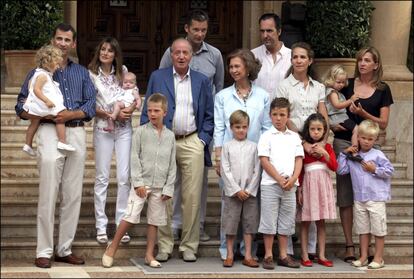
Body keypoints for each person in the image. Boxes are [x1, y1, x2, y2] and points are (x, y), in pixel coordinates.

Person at [15, 23, 96, 268]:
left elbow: (91, 104)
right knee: (49, 193)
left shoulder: (82, 72)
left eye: (67, 40)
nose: (62, 43)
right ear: (53, 41)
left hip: (76, 133)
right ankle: (44, 250)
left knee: (72, 195)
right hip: (49, 132)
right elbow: (20, 107)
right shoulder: (37, 72)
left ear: (73, 44)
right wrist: (50, 116)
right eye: (58, 39)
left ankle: (64, 249)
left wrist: (70, 115)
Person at [140, 38, 214, 262]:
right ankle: (164, 245)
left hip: (192, 141)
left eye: (185, 52)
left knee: (192, 197)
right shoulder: (157, 76)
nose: (181, 56)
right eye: (177, 52)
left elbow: (209, 116)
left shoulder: (201, 80)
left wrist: (202, 140)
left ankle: (189, 245)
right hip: (165, 141)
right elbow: (147, 111)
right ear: (171, 55)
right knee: (164, 196)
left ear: (191, 56)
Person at [159, 9, 224, 242]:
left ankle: (198, 226)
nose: (199, 34)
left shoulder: (215, 55)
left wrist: (206, 136)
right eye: (195, 29)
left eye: (203, 30)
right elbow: (162, 83)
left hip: (198, 131)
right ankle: (175, 225)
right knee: (172, 181)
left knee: (198, 184)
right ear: (186, 28)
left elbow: (217, 89)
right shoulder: (172, 52)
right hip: (172, 130)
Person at [332, 46, 394, 263]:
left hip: (370, 145)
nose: (362, 63)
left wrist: (362, 114)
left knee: (367, 189)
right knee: (346, 194)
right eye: (360, 60)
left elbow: (384, 123)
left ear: (376, 64)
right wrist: (335, 125)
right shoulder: (347, 84)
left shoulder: (383, 89)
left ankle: (368, 251)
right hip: (345, 143)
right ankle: (351, 244)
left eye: (367, 60)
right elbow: (333, 106)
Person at [102, 93, 176, 268]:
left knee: (154, 221)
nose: (152, 114)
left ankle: (149, 255)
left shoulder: (170, 136)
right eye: (149, 110)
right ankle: (112, 248)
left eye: (156, 110)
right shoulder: (140, 132)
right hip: (142, 184)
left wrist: (168, 188)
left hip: (160, 186)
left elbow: (172, 164)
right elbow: (134, 158)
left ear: (165, 112)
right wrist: (138, 183)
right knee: (130, 216)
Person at [214, 48, 272, 261]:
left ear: (248, 67)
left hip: (255, 157)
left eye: (237, 66)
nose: (233, 70)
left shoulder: (263, 96)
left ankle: (248, 251)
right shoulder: (222, 96)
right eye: (231, 67)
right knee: (229, 205)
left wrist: (265, 156)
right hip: (230, 157)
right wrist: (218, 157)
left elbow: (266, 127)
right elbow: (219, 127)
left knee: (251, 206)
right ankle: (226, 250)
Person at [276, 41, 329, 259]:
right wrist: (302, 143)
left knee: (313, 196)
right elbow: (284, 116)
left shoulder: (319, 87)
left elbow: (323, 114)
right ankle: (287, 249)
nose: (298, 60)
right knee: (291, 196)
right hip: (292, 144)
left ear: (310, 60)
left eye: (302, 57)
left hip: (316, 147)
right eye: (295, 57)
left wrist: (323, 143)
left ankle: (314, 249)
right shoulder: (284, 86)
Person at [88, 37, 136, 245]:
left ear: (116, 54)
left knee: (124, 177)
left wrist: (130, 110)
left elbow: (132, 95)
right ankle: (101, 225)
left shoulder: (123, 72)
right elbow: (90, 103)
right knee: (102, 177)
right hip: (103, 128)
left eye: (110, 50)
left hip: (124, 130)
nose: (106, 53)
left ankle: (121, 225)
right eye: (103, 49)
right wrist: (108, 115)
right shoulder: (90, 75)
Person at [337, 120, 394, 269]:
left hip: (376, 198)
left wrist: (374, 169)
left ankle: (378, 257)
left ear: (375, 140)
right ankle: (363, 257)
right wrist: (344, 154)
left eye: (370, 139)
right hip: (360, 198)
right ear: (358, 137)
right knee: (362, 229)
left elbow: (389, 171)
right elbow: (341, 170)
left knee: (378, 229)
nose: (367, 142)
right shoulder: (353, 156)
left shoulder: (378, 154)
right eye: (363, 138)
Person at [257, 97, 303, 270]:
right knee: (269, 219)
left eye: (282, 115)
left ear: (288, 116)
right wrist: (278, 178)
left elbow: (299, 160)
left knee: (286, 220)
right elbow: (264, 160)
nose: (278, 118)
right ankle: (268, 255)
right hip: (271, 184)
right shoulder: (266, 136)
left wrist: (292, 179)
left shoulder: (294, 137)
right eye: (275, 114)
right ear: (270, 115)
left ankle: (283, 254)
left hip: (290, 185)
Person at [220, 110, 261, 268]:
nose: (241, 130)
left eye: (244, 127)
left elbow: (257, 170)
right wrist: (236, 189)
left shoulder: (254, 147)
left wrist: (249, 190)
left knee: (249, 225)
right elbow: (225, 169)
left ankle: (248, 255)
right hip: (232, 193)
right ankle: (229, 254)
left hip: (250, 193)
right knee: (231, 224)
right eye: (237, 127)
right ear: (231, 127)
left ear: (248, 127)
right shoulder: (227, 147)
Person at [297, 113, 337, 268]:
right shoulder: (303, 147)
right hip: (308, 184)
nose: (315, 132)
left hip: (322, 185)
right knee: (305, 221)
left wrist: (325, 154)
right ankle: (305, 255)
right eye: (312, 129)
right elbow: (300, 169)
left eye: (319, 129)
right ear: (308, 130)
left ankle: (321, 254)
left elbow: (334, 167)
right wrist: (299, 189)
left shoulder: (327, 147)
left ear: (324, 130)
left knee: (321, 222)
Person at [22, 44, 76, 156]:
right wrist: (46, 101)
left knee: (34, 122)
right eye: (56, 63)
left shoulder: (38, 73)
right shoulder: (43, 76)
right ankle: (62, 141)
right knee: (60, 116)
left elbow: (30, 87)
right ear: (47, 63)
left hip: (38, 104)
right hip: (45, 104)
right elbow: (37, 90)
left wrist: (30, 99)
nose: (58, 66)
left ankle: (28, 144)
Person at [251, 13, 291, 100]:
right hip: (258, 111)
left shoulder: (292, 57)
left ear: (279, 31)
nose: (265, 35)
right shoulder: (252, 55)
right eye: (262, 31)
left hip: (282, 111)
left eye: (269, 31)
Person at [324, 64, 359, 148]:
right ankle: (355, 147)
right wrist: (351, 100)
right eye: (338, 82)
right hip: (338, 118)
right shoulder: (332, 92)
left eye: (343, 82)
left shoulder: (337, 93)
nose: (341, 85)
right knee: (357, 129)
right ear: (331, 80)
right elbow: (337, 105)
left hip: (340, 117)